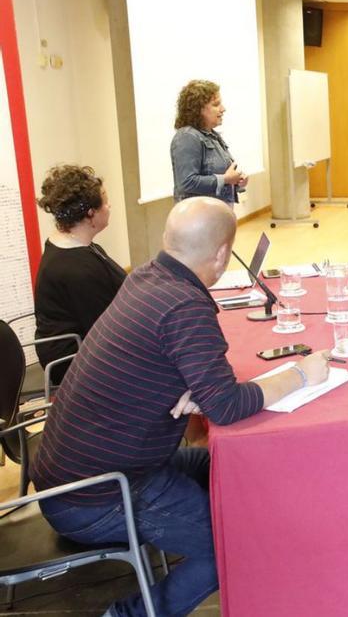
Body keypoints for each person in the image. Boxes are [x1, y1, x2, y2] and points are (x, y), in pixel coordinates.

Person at [30, 197, 332, 617]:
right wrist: (301, 374)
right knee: (228, 548)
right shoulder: (184, 306)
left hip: (79, 477)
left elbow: (175, 370)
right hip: (99, 496)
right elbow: (225, 406)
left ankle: (275, 548)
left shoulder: (147, 279)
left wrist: (189, 384)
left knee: (229, 467)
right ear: (223, 253)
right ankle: (126, 614)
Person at [33, 165, 126, 385]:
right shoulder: (76, 270)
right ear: (91, 213)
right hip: (77, 363)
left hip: (90, 347)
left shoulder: (78, 247)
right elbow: (109, 330)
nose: (109, 205)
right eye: (105, 201)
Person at [171, 79, 248, 205]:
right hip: (198, 218)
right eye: (216, 104)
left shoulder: (213, 135)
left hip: (216, 214)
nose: (223, 109)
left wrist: (238, 181)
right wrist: (226, 179)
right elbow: (186, 182)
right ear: (198, 109)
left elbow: (226, 174)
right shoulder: (187, 137)